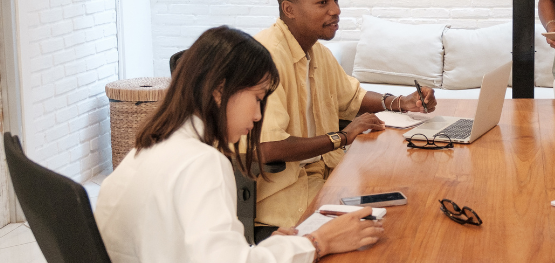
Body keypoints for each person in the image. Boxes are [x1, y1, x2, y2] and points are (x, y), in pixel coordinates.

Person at [94, 26, 383, 262]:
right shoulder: (201, 162)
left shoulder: (147, 149)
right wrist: (318, 242)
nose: (258, 116)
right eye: (257, 99)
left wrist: (272, 251)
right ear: (220, 90)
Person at [254, 0, 437, 231]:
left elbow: (352, 98)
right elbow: (269, 148)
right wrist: (342, 136)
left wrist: (402, 103)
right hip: (288, 197)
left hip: (328, 176)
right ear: (289, 9)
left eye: (336, 0)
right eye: (323, 2)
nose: (336, 10)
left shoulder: (318, 52)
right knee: (392, 228)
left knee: (412, 196)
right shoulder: (265, 57)